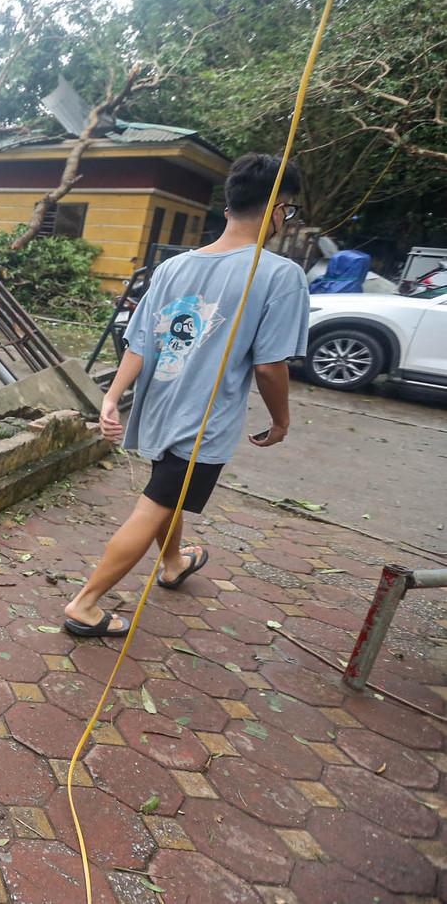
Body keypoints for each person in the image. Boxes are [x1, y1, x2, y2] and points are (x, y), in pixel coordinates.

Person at [63, 153, 310, 637]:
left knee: (165, 489)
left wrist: (112, 397)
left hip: (159, 406)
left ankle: (173, 562)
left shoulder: (173, 268)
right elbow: (269, 366)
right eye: (289, 210)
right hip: (203, 419)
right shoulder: (280, 275)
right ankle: (85, 605)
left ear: (228, 208)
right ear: (278, 209)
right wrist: (281, 421)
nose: (287, 218)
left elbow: (140, 341)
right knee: (156, 502)